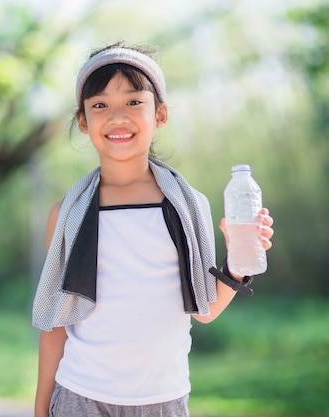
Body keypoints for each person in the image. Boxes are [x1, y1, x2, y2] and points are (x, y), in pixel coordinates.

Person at [31, 41, 275, 417]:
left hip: (163, 401)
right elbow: (55, 324)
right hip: (79, 396)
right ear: (83, 120)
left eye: (133, 102)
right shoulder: (67, 214)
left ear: (160, 113)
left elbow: (205, 309)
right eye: (100, 105)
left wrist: (239, 262)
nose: (117, 116)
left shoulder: (188, 205)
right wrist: (40, 410)